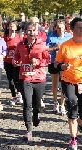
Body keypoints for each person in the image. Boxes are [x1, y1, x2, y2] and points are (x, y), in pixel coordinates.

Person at [13, 22, 50, 141]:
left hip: (39, 78)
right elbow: (16, 57)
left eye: (34, 30)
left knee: (37, 105)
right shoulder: (20, 45)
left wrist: (38, 62)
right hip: (25, 77)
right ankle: (28, 130)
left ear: (37, 32)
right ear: (25, 32)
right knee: (27, 104)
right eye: (29, 30)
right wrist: (16, 62)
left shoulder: (42, 45)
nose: (31, 33)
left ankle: (36, 115)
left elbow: (48, 59)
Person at [55, 17, 82, 150]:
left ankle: (80, 125)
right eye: (79, 27)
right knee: (72, 106)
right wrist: (62, 67)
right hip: (68, 81)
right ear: (72, 29)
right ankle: (73, 139)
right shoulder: (65, 45)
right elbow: (56, 63)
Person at [46, 20, 72, 115]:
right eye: (58, 28)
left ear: (65, 27)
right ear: (55, 28)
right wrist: (55, 48)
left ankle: (62, 105)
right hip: (53, 62)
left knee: (63, 84)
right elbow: (46, 50)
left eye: (62, 28)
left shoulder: (69, 36)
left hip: (64, 63)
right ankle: (55, 102)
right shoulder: (51, 37)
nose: (60, 30)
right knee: (55, 83)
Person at [4, 20, 23, 105]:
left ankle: (19, 94)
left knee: (17, 79)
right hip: (7, 61)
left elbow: (23, 48)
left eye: (13, 26)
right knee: (10, 80)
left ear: (16, 28)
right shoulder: (5, 38)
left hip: (17, 62)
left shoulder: (19, 37)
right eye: (10, 26)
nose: (12, 28)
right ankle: (13, 96)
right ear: (8, 27)